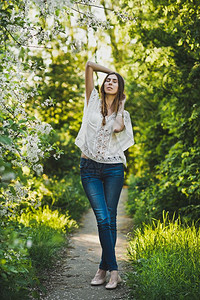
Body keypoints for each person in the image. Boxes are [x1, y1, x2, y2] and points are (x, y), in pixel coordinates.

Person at [75, 61, 134, 289]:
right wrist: (110, 70)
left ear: (120, 89)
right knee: (103, 218)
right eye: (108, 80)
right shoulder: (91, 102)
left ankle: (103, 269)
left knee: (110, 219)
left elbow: (118, 127)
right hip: (89, 168)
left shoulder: (123, 114)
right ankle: (114, 271)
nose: (110, 82)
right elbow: (89, 65)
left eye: (115, 81)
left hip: (113, 169)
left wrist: (120, 106)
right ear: (102, 84)